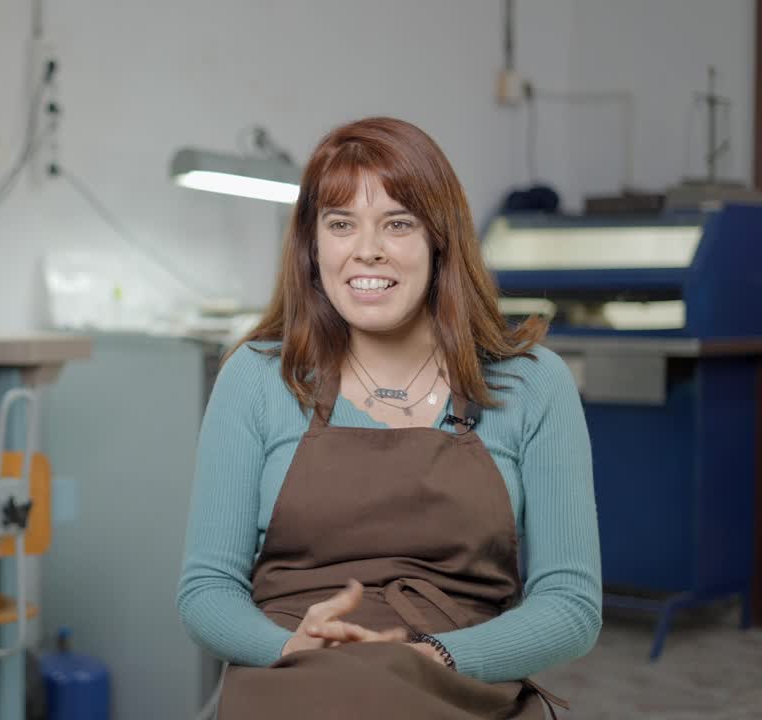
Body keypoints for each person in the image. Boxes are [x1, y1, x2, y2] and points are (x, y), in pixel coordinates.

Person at [177, 117, 601, 719]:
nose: (366, 249)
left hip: (457, 680)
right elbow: (207, 591)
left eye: (398, 223)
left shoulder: (532, 384)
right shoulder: (257, 376)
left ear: (440, 240)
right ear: (313, 246)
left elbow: (571, 605)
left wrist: (431, 658)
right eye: (340, 223)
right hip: (294, 679)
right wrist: (289, 647)